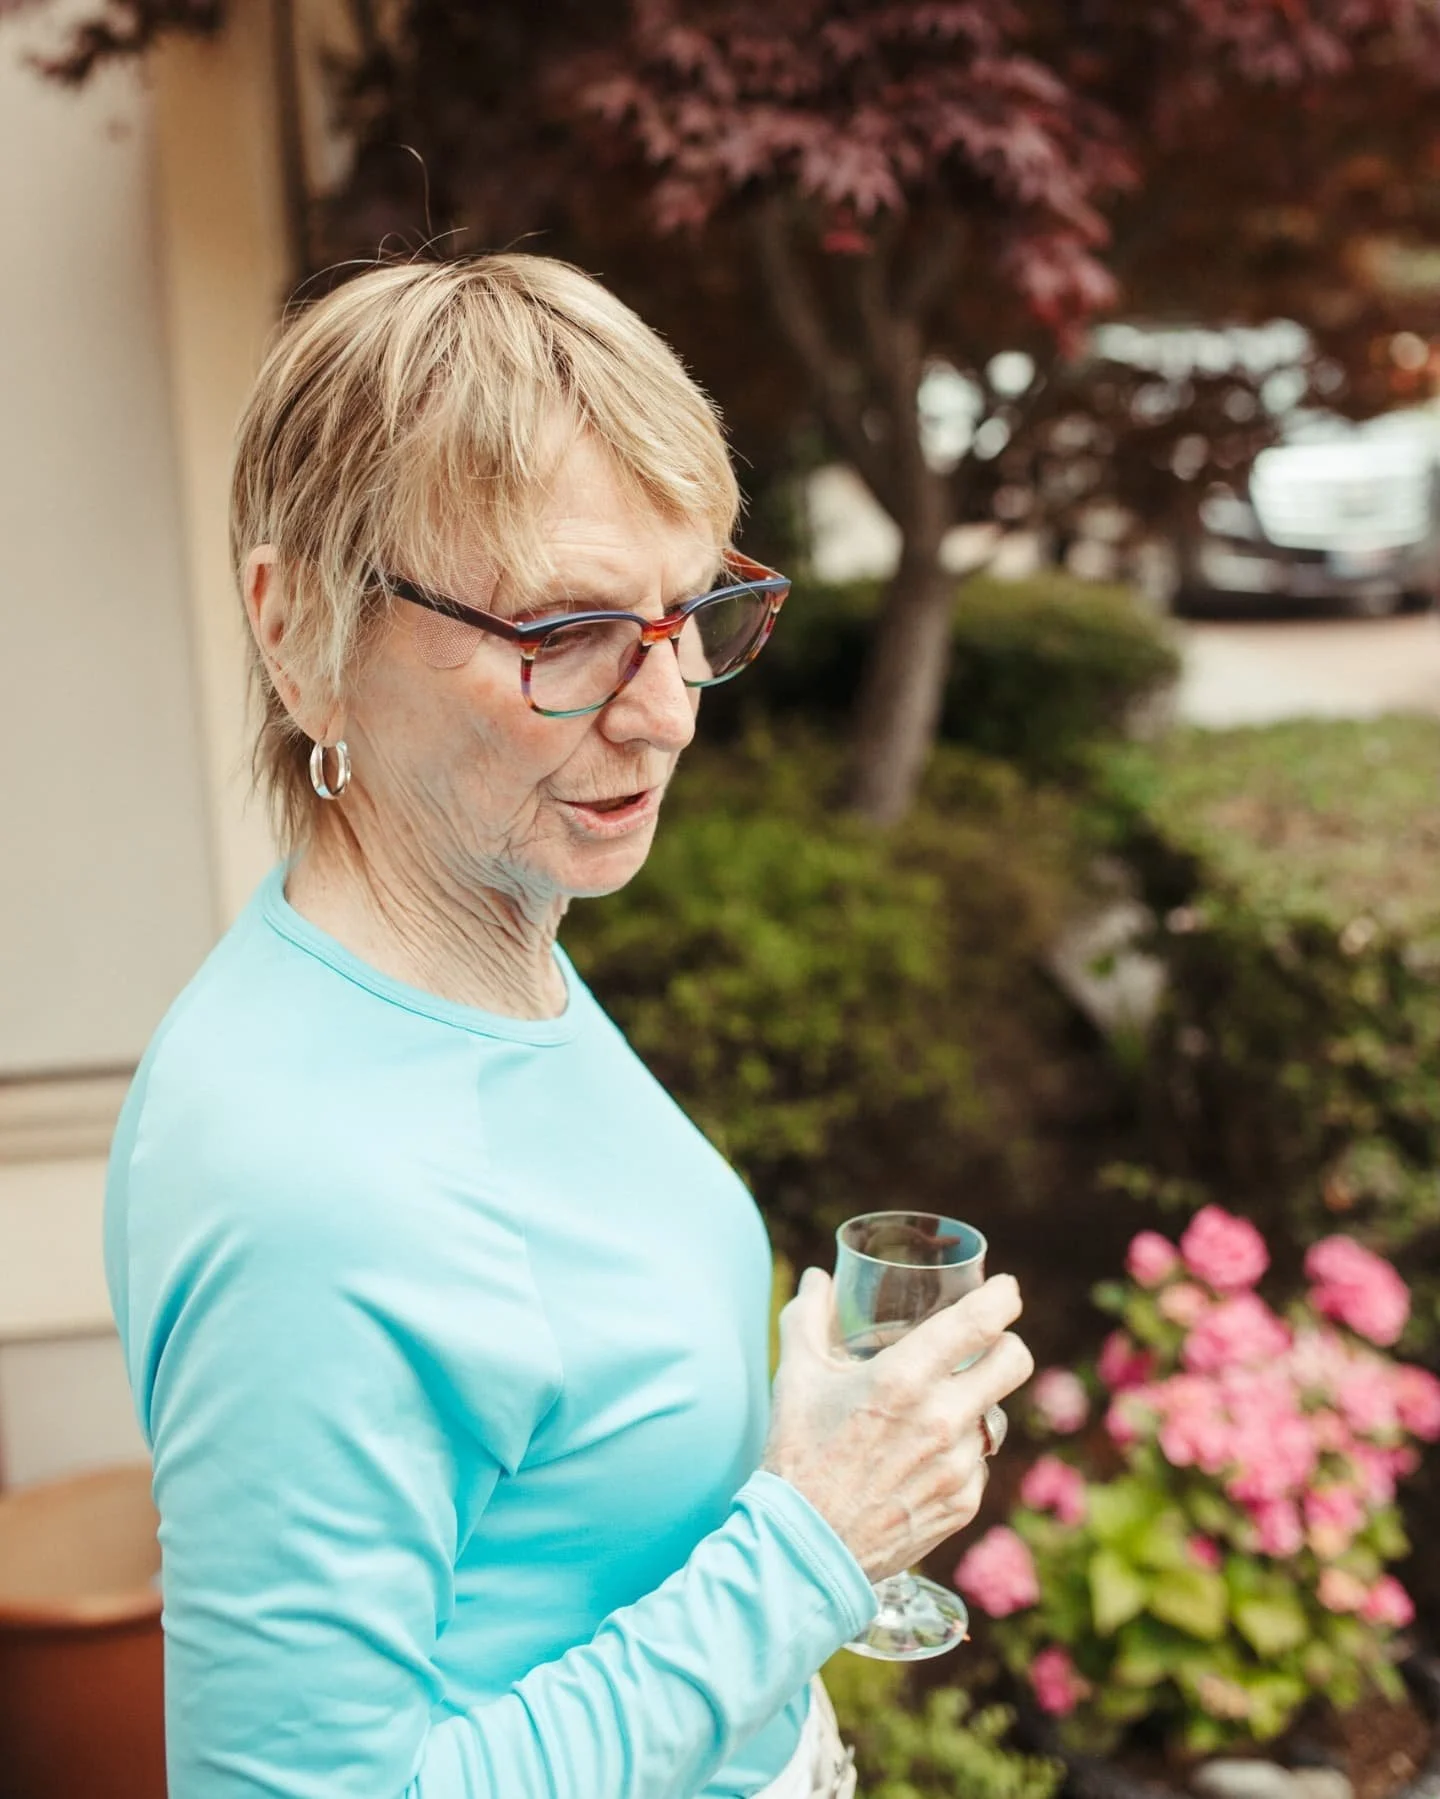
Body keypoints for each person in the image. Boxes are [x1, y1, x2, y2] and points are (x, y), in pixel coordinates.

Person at [104, 255, 1034, 1799]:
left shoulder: (486, 930)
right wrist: (811, 1542)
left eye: (689, 610)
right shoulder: (300, 1185)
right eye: (564, 630)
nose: (666, 707)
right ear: (298, 630)